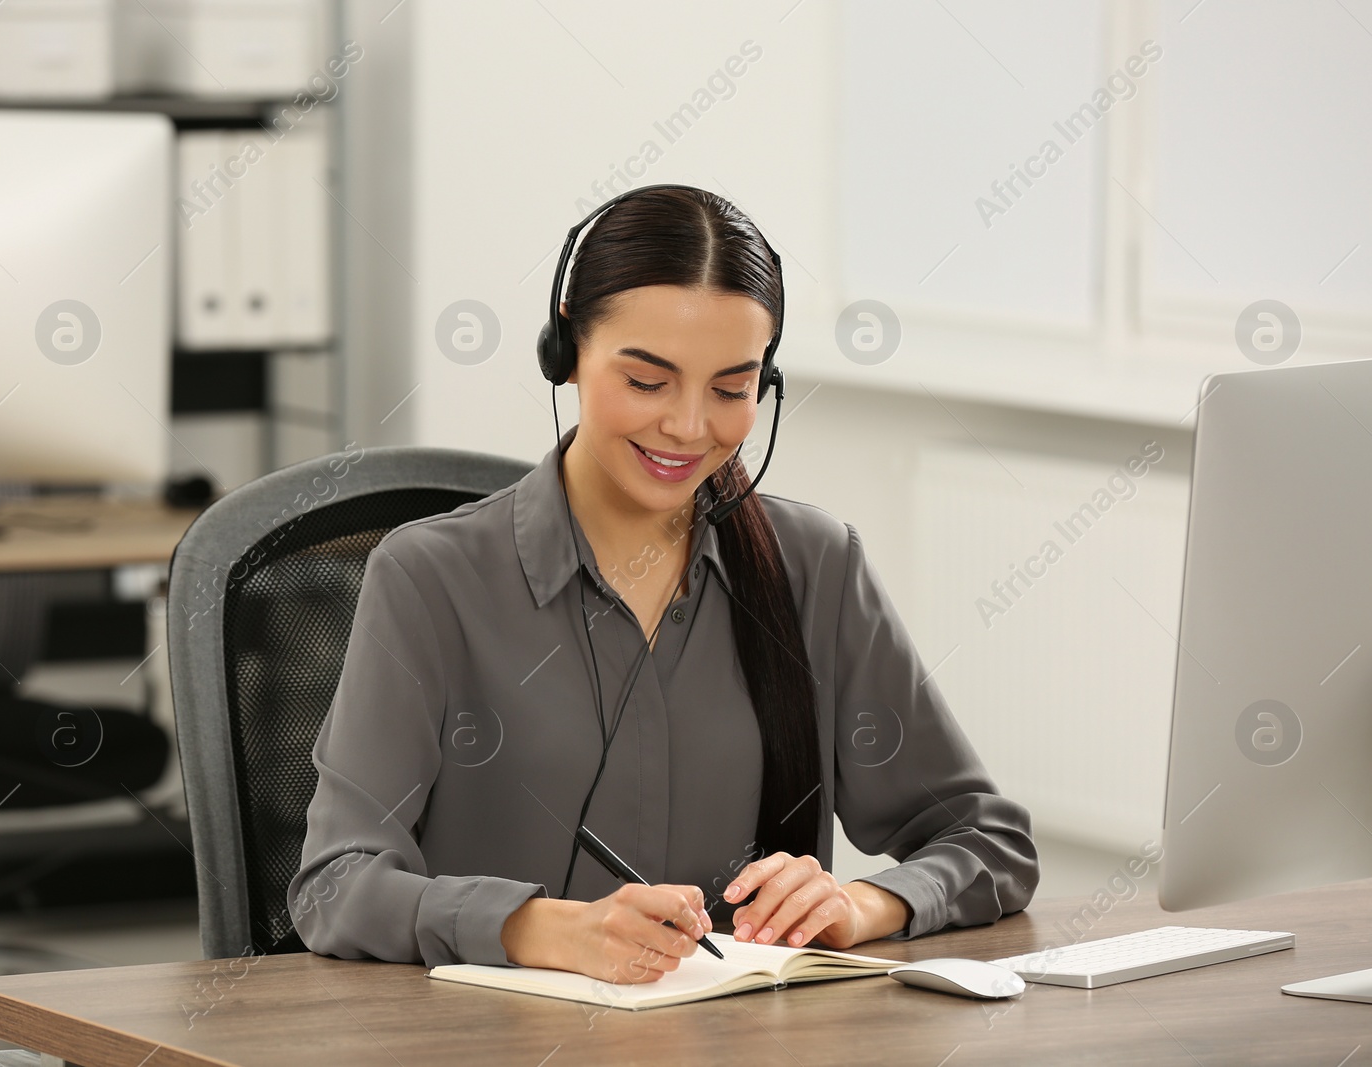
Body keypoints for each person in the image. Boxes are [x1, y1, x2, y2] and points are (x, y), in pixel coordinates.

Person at [289, 185, 1038, 985]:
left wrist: (863, 903)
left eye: (730, 388)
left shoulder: (813, 565)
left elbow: (987, 841)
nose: (687, 426)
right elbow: (336, 884)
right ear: (566, 350)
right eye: (647, 381)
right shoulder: (429, 580)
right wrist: (544, 928)